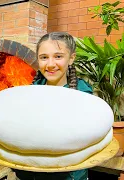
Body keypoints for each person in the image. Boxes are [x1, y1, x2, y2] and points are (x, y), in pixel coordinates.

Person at [14, 32, 93, 180]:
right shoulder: (32, 89)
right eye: (44, 57)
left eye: (58, 56)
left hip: (69, 174)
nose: (50, 64)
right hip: (32, 171)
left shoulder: (83, 93)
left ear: (71, 58)